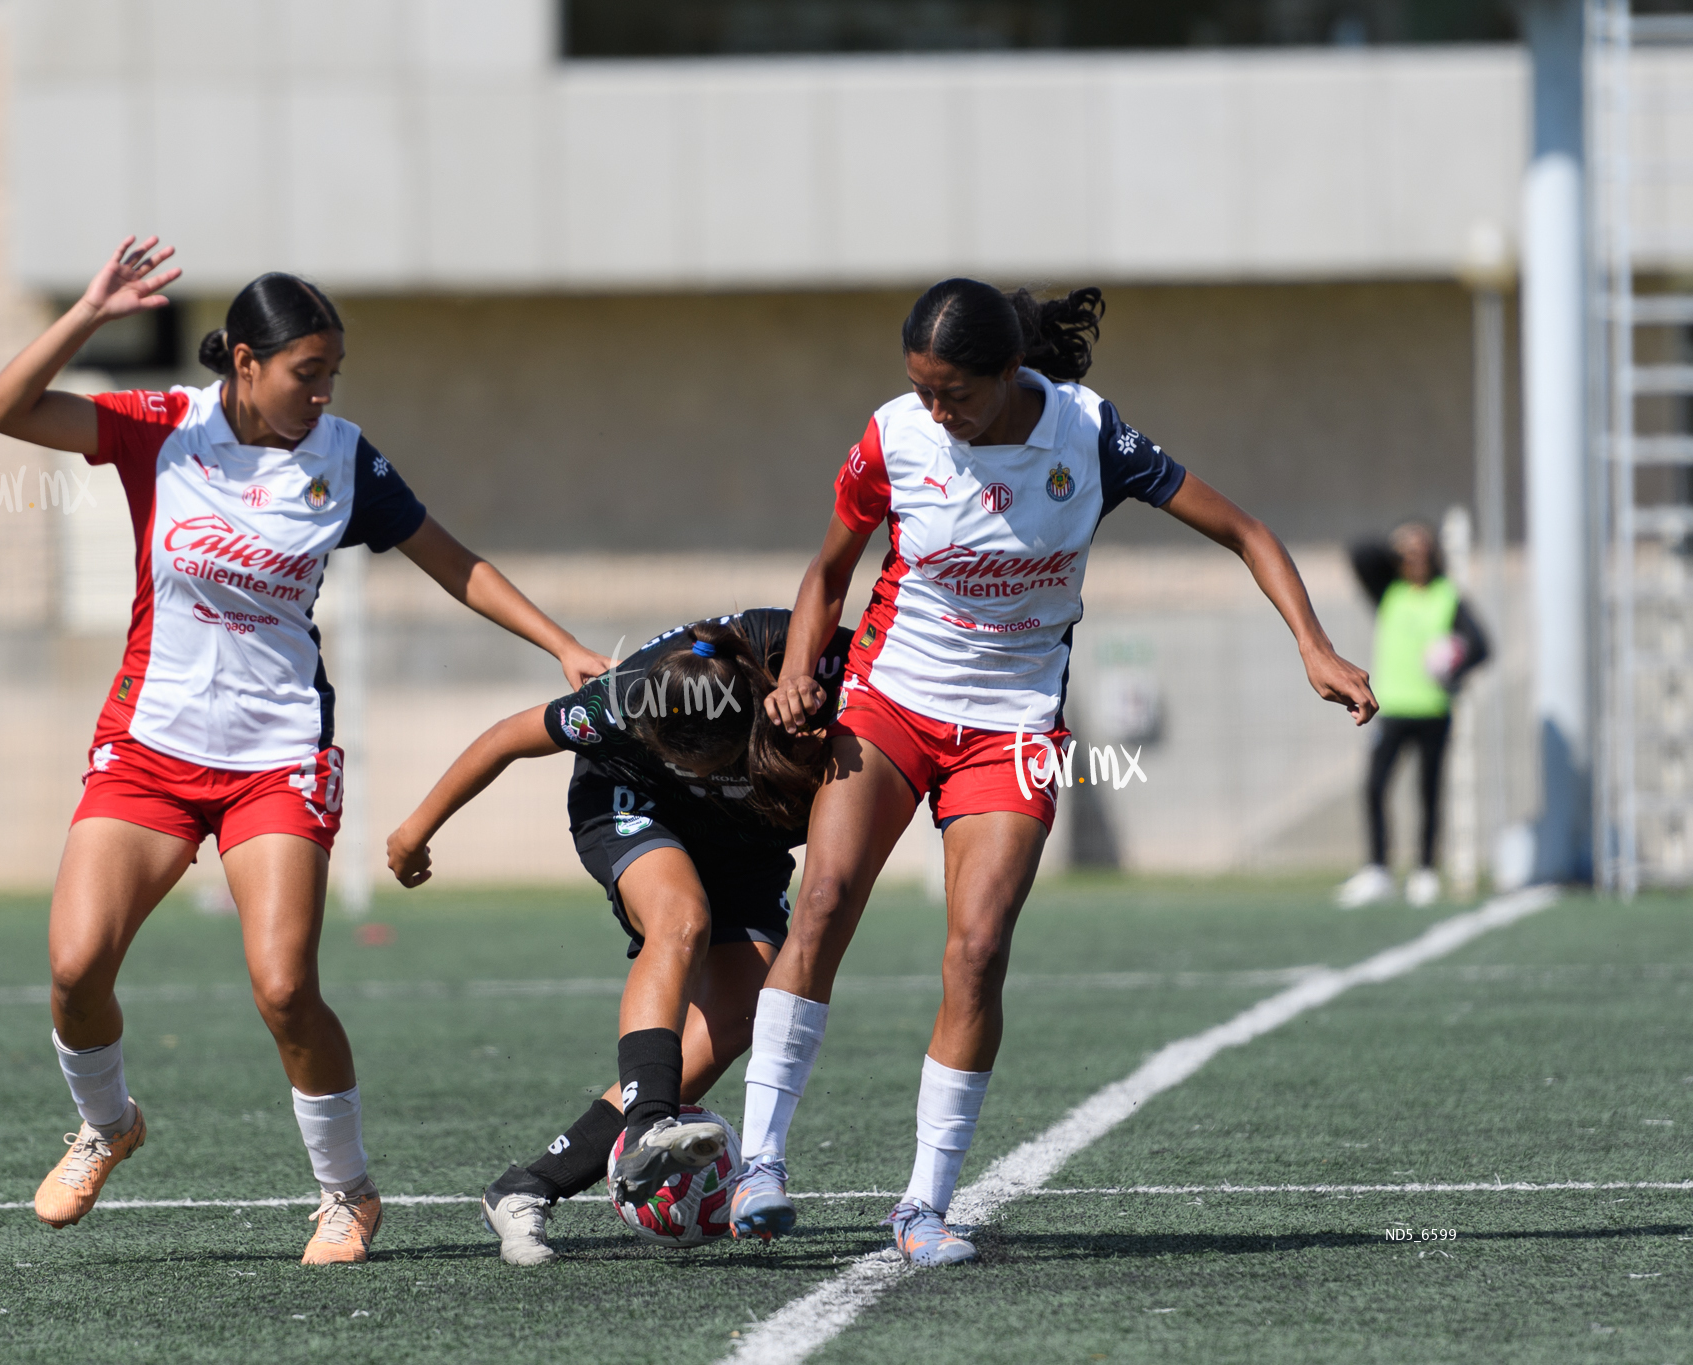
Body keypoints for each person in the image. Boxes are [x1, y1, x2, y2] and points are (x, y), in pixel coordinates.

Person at [0, 236, 608, 1266]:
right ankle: (106, 1125)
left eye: (332, 376)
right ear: (244, 366)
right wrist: (90, 314)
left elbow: (453, 563)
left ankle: (347, 1195)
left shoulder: (343, 458)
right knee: (75, 965)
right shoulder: (160, 431)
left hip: (276, 755)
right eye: (305, 375)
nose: (321, 394)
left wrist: (562, 645)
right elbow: (2, 410)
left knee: (281, 987)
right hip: (149, 749)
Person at [729, 279, 1378, 1266]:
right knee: (819, 899)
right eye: (920, 388)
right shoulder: (893, 438)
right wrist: (789, 679)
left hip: (1010, 723)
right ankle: (761, 1165)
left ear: (1006, 374)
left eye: (952, 392)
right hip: (889, 697)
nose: (934, 410)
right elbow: (828, 573)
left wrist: (1314, 647)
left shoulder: (1088, 436)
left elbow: (1243, 529)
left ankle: (921, 1210)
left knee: (977, 952)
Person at [384, 610, 848, 1265]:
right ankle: (649, 1122)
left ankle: (527, 1187)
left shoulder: (824, 673)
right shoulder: (625, 699)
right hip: (629, 803)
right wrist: (414, 831)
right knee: (680, 919)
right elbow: (505, 738)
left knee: (740, 1016)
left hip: (749, 837)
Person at [1336, 522, 1491, 908]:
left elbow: (1482, 646)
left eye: (1423, 550)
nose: (1415, 558)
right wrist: (1398, 541)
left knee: (1428, 792)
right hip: (1392, 709)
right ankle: (1378, 870)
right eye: (1408, 552)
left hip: (1433, 710)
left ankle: (1424, 871)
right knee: (1374, 786)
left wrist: (1455, 662)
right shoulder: (1389, 591)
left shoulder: (1447, 596)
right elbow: (1359, 551)